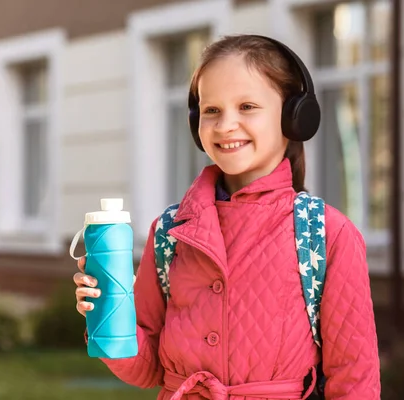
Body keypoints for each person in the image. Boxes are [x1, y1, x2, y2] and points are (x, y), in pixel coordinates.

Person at [73, 34, 380, 400]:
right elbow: (148, 367)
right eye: (211, 110)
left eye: (247, 106)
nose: (225, 125)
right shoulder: (170, 232)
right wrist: (108, 314)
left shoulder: (326, 234)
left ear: (294, 116)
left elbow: (355, 380)